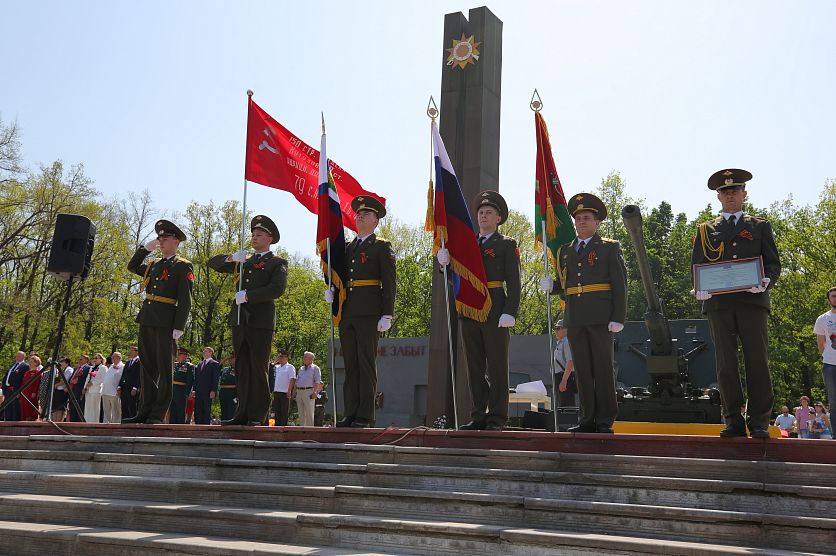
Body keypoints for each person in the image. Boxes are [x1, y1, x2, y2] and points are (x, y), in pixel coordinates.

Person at [691, 169, 781, 438]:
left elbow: (773, 263)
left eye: (734, 191)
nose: (730, 195)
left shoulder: (759, 226)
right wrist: (699, 288)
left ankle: (759, 421)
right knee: (726, 364)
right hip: (719, 305)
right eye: (725, 192)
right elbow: (697, 265)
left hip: (752, 302)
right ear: (718, 197)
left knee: (757, 362)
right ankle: (732, 420)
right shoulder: (705, 230)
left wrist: (766, 281)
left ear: (744, 194)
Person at [540, 193, 627, 434]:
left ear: (597, 223)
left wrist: (618, 317)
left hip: (601, 316)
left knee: (602, 368)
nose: (581, 222)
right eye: (578, 219)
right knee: (583, 370)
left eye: (587, 218)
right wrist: (552, 286)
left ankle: (605, 419)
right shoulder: (565, 251)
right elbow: (565, 284)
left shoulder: (609, 247)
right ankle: (587, 417)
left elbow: (620, 284)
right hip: (575, 317)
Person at [438, 191, 520, 431]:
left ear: (498, 218)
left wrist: (510, 311)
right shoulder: (466, 244)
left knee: (496, 367)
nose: (484, 215)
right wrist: (443, 263)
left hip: (495, 310)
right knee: (474, 367)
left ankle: (497, 417)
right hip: (469, 309)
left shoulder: (506, 244)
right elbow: (456, 276)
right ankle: (478, 415)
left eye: (489, 212)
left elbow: (514, 282)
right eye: (481, 212)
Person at [209, 215, 288, 426]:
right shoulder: (243, 261)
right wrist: (232, 258)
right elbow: (212, 263)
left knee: (258, 368)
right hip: (239, 320)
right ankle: (241, 412)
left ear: (269, 238)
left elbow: (276, 289)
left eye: (259, 234)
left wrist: (249, 296)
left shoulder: (277, 263)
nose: (254, 237)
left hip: (260, 321)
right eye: (253, 234)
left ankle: (258, 414)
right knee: (242, 367)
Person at [325, 196, 396, 429]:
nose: (360, 216)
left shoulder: (381, 246)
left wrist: (388, 313)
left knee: (366, 364)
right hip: (348, 312)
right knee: (351, 365)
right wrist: (332, 289)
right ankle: (350, 412)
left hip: (369, 312)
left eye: (366, 214)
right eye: (358, 214)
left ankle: (365, 415)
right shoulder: (346, 248)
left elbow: (389, 282)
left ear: (376, 222)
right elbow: (338, 274)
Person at [124, 220, 194, 424]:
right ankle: (145, 410)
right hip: (147, 318)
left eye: (165, 238)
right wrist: (145, 249)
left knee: (164, 369)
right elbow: (132, 266)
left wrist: (179, 326)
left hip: (166, 321)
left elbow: (185, 299)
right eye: (159, 238)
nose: (161, 242)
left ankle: (158, 413)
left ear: (177, 242)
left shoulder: (182, 265)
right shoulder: (154, 265)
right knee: (146, 368)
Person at [814, 286, 836, 408]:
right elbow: (821, 343)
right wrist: (826, 357)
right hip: (830, 365)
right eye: (833, 296)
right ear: (828, 300)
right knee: (834, 402)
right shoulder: (822, 319)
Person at [553, 319, 577, 408]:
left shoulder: (567, 342)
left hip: (565, 376)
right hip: (561, 376)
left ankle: (569, 422)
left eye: (558, 328)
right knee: (563, 405)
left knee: (567, 407)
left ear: (565, 329)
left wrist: (564, 381)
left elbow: (570, 362)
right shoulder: (562, 342)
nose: (556, 331)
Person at [193, 347, 220, 425]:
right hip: (198, 391)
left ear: (211, 353)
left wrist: (213, 390)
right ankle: (198, 425)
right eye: (203, 351)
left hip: (208, 391)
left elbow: (215, 378)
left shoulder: (214, 363)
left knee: (206, 409)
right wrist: (194, 390)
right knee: (198, 409)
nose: (204, 352)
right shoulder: (200, 364)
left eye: (206, 351)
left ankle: (205, 426)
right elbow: (196, 378)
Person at [295, 352, 322, 427]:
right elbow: (297, 380)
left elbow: (317, 381)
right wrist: (294, 392)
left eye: (305, 357)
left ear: (311, 359)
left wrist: (315, 392)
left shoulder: (315, 368)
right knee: (301, 412)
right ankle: (302, 429)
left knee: (309, 412)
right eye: (304, 356)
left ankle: (310, 430)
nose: (304, 358)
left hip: (309, 391)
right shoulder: (301, 368)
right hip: (299, 391)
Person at [169, 348, 194, 424]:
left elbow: (190, 380)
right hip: (173, 390)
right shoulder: (174, 364)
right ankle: (172, 425)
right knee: (172, 409)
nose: (179, 356)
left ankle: (180, 426)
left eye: (181, 354)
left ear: (185, 356)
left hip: (181, 390)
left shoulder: (189, 366)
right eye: (179, 354)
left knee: (180, 410)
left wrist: (187, 392)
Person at [2, 351, 29, 421]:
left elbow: (24, 380)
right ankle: (7, 423)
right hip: (8, 389)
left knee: (15, 408)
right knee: (8, 407)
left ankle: (14, 424)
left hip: (16, 390)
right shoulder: (12, 365)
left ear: (23, 357)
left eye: (19, 356)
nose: (16, 357)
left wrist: (20, 391)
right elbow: (6, 377)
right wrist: (4, 389)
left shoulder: (25, 366)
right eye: (16, 356)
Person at [271, 350, 296, 426]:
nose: (280, 358)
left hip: (285, 392)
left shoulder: (290, 367)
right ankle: (277, 427)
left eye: (282, 356)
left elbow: (292, 379)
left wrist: (289, 391)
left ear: (286, 358)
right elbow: (269, 368)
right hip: (276, 391)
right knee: (277, 411)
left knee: (284, 411)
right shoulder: (276, 367)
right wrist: (274, 362)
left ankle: (283, 427)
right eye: (279, 356)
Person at [83, 353, 107, 423]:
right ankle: (87, 422)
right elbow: (88, 378)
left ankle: (94, 423)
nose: (95, 359)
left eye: (97, 358)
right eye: (94, 358)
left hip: (96, 390)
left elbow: (103, 378)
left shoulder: (103, 368)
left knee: (95, 408)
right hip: (88, 390)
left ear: (101, 359)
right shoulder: (91, 368)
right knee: (88, 408)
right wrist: (84, 387)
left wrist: (93, 383)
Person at [101, 352, 124, 423]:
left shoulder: (122, 366)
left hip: (114, 392)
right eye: (112, 357)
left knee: (115, 411)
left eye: (113, 357)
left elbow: (122, 379)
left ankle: (116, 424)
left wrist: (120, 388)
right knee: (106, 410)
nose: (112, 358)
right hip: (105, 391)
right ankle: (106, 423)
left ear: (119, 358)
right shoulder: (111, 366)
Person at [118, 347, 141, 419]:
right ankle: (124, 420)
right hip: (125, 387)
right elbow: (123, 375)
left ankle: (132, 420)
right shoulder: (128, 362)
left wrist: (135, 387)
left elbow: (139, 376)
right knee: (124, 404)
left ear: (136, 352)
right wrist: (119, 386)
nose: (130, 352)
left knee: (132, 405)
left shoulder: (139, 362)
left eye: (131, 351)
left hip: (132, 388)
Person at [67, 355, 90, 422]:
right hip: (72, 390)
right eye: (79, 359)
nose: (79, 361)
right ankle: (72, 422)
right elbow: (71, 378)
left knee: (78, 408)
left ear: (86, 360)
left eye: (81, 359)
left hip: (79, 390)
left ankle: (78, 423)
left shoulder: (87, 368)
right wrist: (70, 382)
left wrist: (78, 380)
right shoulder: (76, 368)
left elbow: (86, 378)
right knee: (72, 407)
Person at [20, 355, 43, 421]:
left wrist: (34, 392)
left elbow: (37, 383)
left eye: (32, 361)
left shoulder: (38, 373)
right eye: (30, 361)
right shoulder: (26, 373)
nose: (30, 363)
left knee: (30, 407)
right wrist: (20, 391)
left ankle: (31, 421)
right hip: (24, 392)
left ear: (36, 363)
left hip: (31, 393)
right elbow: (23, 383)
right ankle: (24, 421)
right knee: (24, 407)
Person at [51, 357, 74, 422]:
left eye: (62, 361)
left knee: (60, 408)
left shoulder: (69, 370)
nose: (60, 363)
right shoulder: (62, 369)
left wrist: (55, 385)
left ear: (67, 362)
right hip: (57, 390)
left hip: (62, 391)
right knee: (55, 407)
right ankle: (54, 421)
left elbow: (64, 380)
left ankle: (59, 422)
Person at [218, 354, 238, 422]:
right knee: (224, 412)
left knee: (231, 412)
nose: (230, 360)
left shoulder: (239, 369)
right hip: (223, 393)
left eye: (232, 358)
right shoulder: (225, 369)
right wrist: (223, 361)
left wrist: (237, 395)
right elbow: (217, 371)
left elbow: (241, 383)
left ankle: (231, 429)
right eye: (229, 359)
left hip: (232, 393)